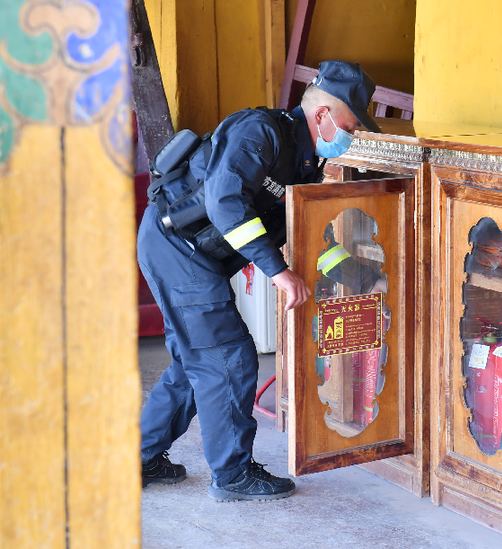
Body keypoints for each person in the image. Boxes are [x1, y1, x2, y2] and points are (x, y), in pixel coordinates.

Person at [137, 60, 382, 501]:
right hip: (176, 248)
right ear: (324, 114)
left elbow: (307, 236)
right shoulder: (259, 133)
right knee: (227, 356)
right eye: (350, 125)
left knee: (195, 361)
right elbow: (225, 203)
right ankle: (232, 475)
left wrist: (364, 278)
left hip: (195, 255)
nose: (351, 135)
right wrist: (278, 272)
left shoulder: (305, 163)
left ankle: (141, 458)